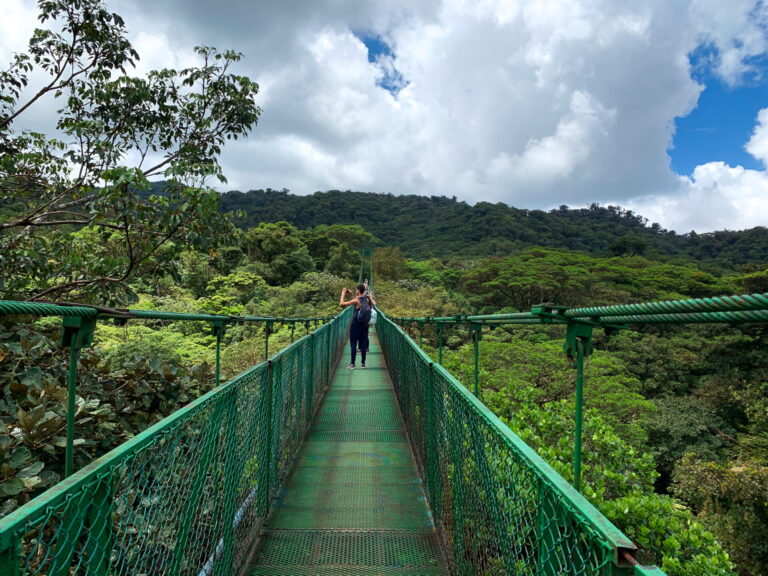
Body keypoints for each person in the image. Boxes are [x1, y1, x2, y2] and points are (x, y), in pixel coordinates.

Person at [339, 284, 376, 369]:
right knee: (363, 344)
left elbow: (342, 304)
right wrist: (351, 294)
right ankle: (363, 364)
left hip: (356, 325)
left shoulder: (356, 301)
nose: (356, 291)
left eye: (356, 290)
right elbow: (357, 300)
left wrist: (343, 293)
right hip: (365, 325)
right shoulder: (367, 299)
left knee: (353, 344)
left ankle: (352, 364)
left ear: (359, 290)